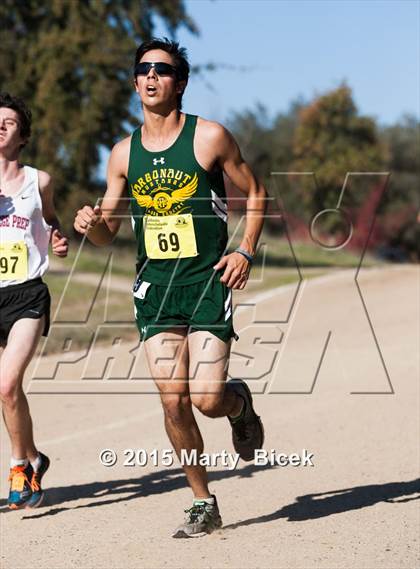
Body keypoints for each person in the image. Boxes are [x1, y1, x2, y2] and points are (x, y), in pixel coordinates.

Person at [74, 38, 267, 537]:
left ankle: (238, 404)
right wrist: (90, 222)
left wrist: (244, 249)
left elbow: (257, 191)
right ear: (136, 81)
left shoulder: (209, 138)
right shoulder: (122, 153)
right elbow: (107, 231)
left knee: (205, 398)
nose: (152, 76)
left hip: (206, 281)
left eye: (163, 69)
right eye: (143, 69)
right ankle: (203, 500)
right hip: (155, 288)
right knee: (173, 402)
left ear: (180, 82)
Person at [0, 92, 69, 509]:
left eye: (8, 121)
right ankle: (35, 457)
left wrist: (57, 237)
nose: (0, 126)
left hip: (26, 293)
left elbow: (52, 220)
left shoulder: (38, 181)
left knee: (6, 384)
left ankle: (19, 468)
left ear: (22, 135)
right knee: (8, 392)